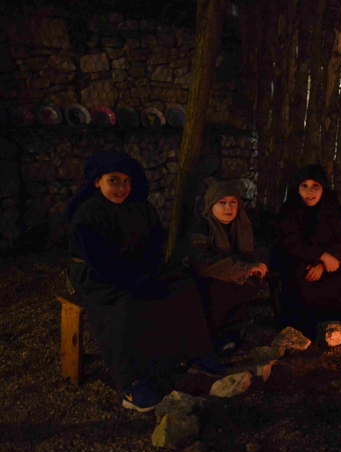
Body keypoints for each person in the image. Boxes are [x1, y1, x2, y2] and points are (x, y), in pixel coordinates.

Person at [67, 151, 225, 413]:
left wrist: (153, 272)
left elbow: (154, 244)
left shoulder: (141, 207)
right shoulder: (87, 214)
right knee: (126, 304)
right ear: (98, 182)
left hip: (137, 269)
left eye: (126, 182)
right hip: (98, 276)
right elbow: (101, 261)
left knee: (183, 287)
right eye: (113, 181)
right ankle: (131, 381)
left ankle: (195, 353)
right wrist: (135, 280)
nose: (121, 188)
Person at [272, 165, 341, 338]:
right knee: (303, 278)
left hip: (327, 261)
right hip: (297, 257)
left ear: (323, 188)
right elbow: (290, 242)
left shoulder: (332, 208)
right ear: (297, 188)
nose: (309, 192)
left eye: (315, 186)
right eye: (304, 186)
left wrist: (323, 263)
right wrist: (320, 255)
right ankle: (306, 332)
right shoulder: (290, 209)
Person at [180, 181, 267, 350]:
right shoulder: (204, 226)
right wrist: (243, 269)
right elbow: (202, 262)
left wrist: (252, 268)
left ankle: (235, 329)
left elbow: (246, 254)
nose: (228, 207)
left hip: (229, 274)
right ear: (211, 205)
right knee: (221, 287)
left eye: (232, 202)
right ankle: (217, 336)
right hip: (203, 280)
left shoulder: (240, 225)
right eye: (222, 202)